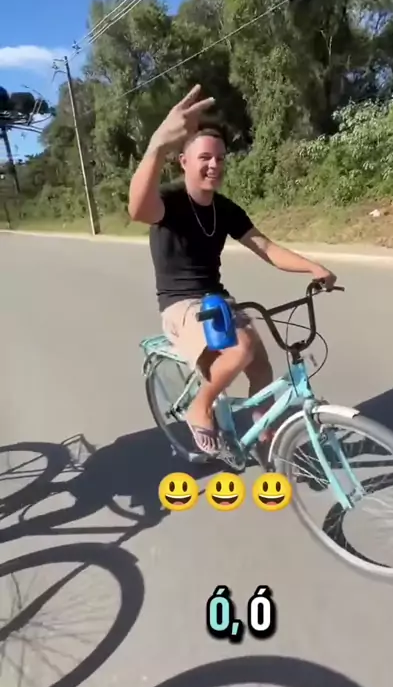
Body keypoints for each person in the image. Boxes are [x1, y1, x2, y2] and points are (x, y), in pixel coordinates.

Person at [129, 84, 337, 456]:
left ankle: (261, 429)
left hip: (217, 300)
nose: (214, 165)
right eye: (205, 157)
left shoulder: (225, 209)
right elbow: (137, 209)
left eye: (221, 158)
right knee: (240, 349)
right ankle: (200, 407)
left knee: (261, 367)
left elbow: (266, 247)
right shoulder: (169, 202)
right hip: (181, 305)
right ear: (184, 162)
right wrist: (158, 145)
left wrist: (312, 267)